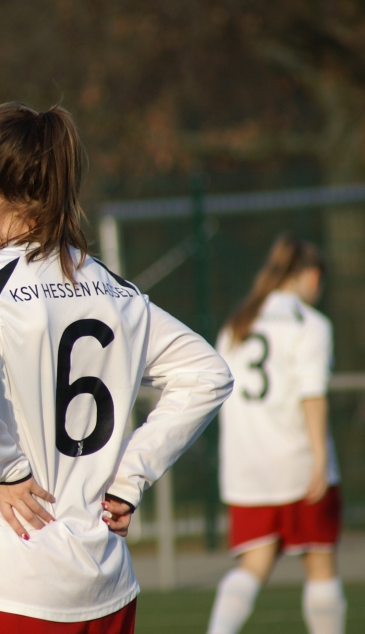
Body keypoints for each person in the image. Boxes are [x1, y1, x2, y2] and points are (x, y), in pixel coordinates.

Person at [0, 102, 234, 633]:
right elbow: (208, 374)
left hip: (6, 584)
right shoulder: (116, 290)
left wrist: (4, 467)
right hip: (106, 582)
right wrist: (130, 478)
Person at [207, 236, 345, 634]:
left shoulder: (237, 323)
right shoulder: (311, 324)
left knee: (254, 564)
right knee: (320, 563)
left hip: (247, 468)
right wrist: (320, 458)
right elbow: (312, 395)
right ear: (311, 276)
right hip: (297, 461)